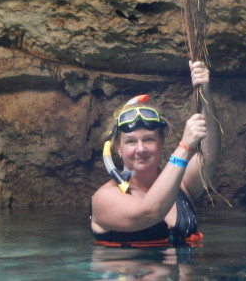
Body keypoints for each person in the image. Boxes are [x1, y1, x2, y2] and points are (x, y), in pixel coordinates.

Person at [90, 60, 219, 248]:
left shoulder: (181, 185)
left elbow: (209, 155)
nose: (140, 149)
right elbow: (150, 212)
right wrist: (184, 148)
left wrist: (205, 92)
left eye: (148, 139)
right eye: (131, 141)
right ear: (118, 148)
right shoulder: (104, 198)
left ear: (161, 142)